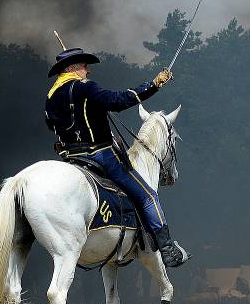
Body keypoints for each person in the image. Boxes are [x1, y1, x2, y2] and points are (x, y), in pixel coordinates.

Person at [44, 47, 190, 267]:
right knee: (147, 196)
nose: (88, 70)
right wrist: (154, 84)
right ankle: (168, 249)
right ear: (72, 68)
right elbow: (119, 100)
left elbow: (53, 125)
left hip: (71, 157)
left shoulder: (51, 96)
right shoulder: (86, 88)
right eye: (84, 66)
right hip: (100, 155)